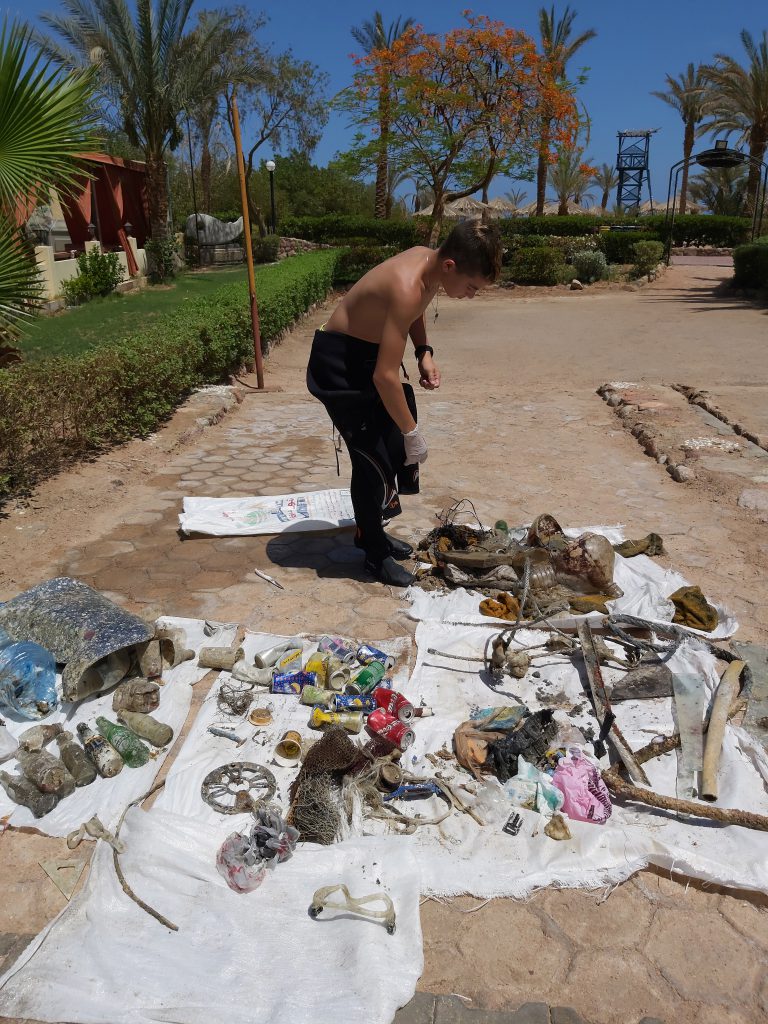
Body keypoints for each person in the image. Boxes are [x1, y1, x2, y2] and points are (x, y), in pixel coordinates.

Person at [306, 219, 502, 586]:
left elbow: (415, 310)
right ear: (450, 267)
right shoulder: (408, 285)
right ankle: (373, 555)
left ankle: (371, 531)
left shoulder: (427, 264)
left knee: (389, 448)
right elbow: (385, 377)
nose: (472, 295)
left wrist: (423, 352)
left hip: (366, 355)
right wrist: (413, 432)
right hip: (340, 364)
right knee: (371, 458)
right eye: (472, 287)